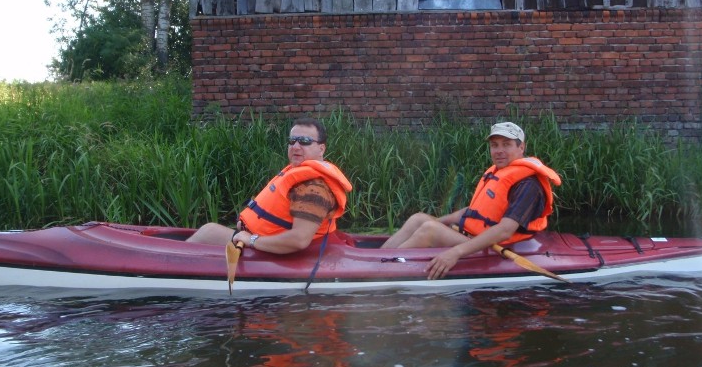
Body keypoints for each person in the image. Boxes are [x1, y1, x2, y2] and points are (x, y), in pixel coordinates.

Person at [382, 121, 561, 280]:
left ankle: (384, 271)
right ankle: (378, 258)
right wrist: (440, 221)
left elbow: (505, 231)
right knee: (419, 219)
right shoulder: (499, 171)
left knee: (429, 230)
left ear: (521, 147)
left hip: (497, 245)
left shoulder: (528, 185)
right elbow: (474, 210)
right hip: (473, 236)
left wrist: (455, 252)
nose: (499, 151)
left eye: (506, 145)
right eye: (494, 145)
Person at [187, 117, 353, 253]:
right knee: (209, 231)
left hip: (276, 250)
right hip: (257, 239)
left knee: (208, 233)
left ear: (321, 148)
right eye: (292, 140)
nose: (296, 146)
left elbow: (299, 240)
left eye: (304, 141)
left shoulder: (313, 188)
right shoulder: (296, 174)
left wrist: (251, 240)